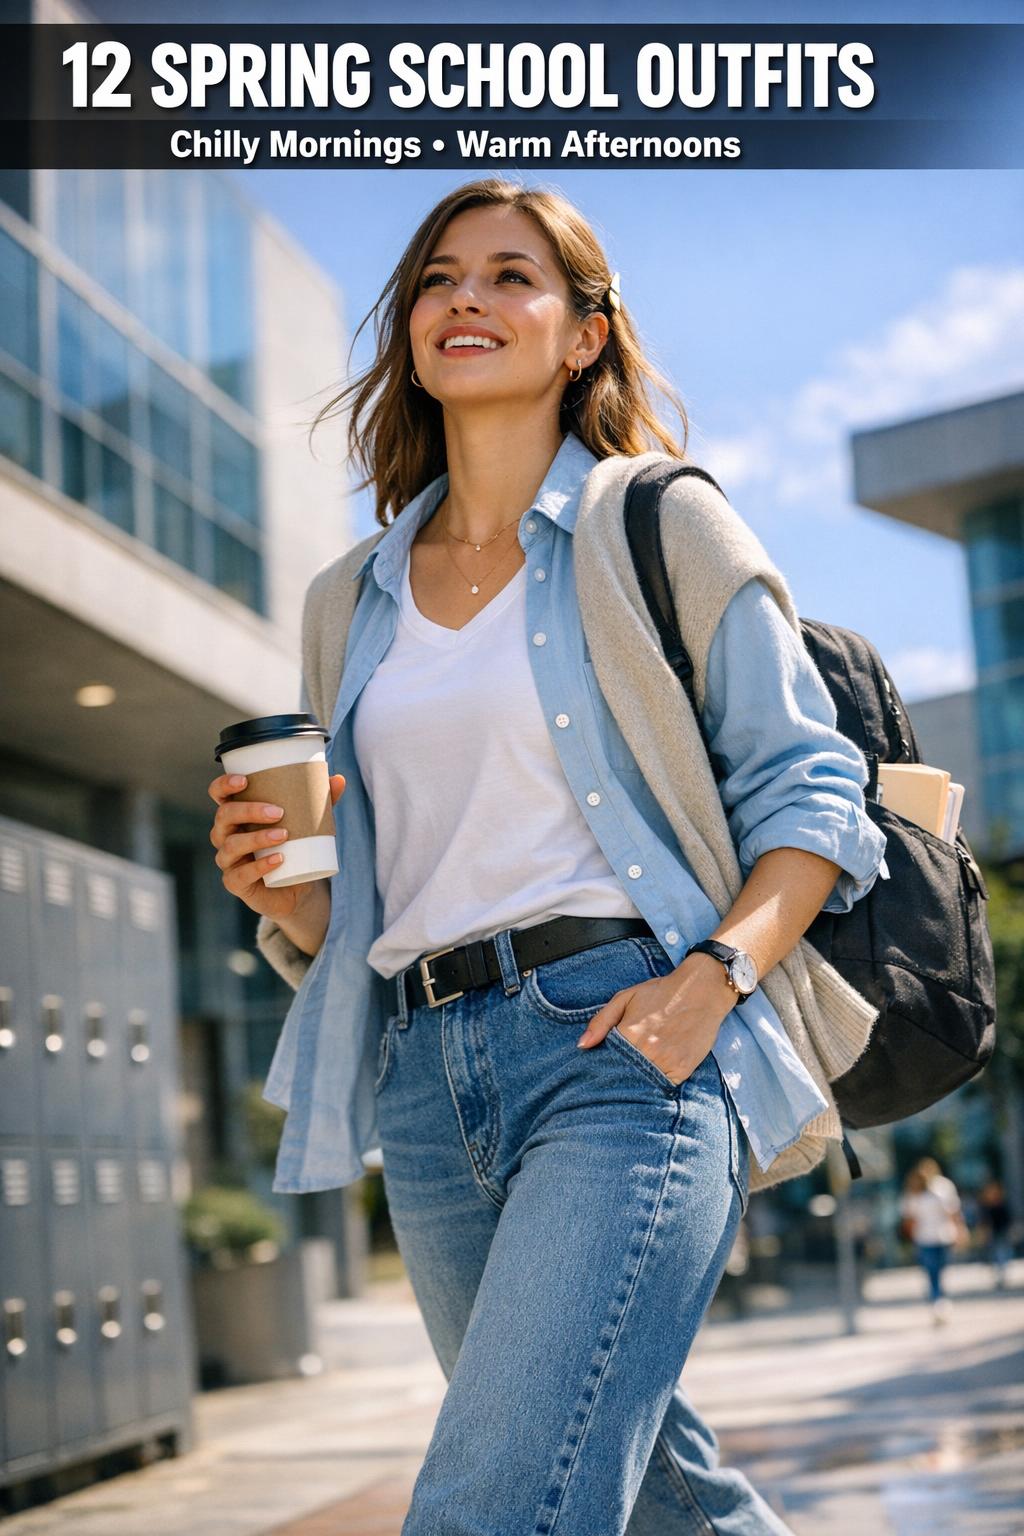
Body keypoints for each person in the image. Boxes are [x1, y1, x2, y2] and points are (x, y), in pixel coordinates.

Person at [208, 177, 887, 1536]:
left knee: (491, 1505)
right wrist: (284, 892)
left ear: (583, 332)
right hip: (425, 1079)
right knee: (649, 1498)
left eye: (511, 275)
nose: (466, 297)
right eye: (438, 276)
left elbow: (814, 788)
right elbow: (399, 880)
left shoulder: (660, 521)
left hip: (625, 1051)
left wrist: (710, 984)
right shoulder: (350, 598)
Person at [899, 1156, 966, 1324]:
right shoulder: (935, 1188)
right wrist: (959, 1231)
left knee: (934, 1273)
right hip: (938, 1237)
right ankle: (940, 1303)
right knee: (936, 1273)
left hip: (931, 1238)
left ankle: (938, 1302)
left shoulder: (936, 1188)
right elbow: (953, 1213)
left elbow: (910, 1220)